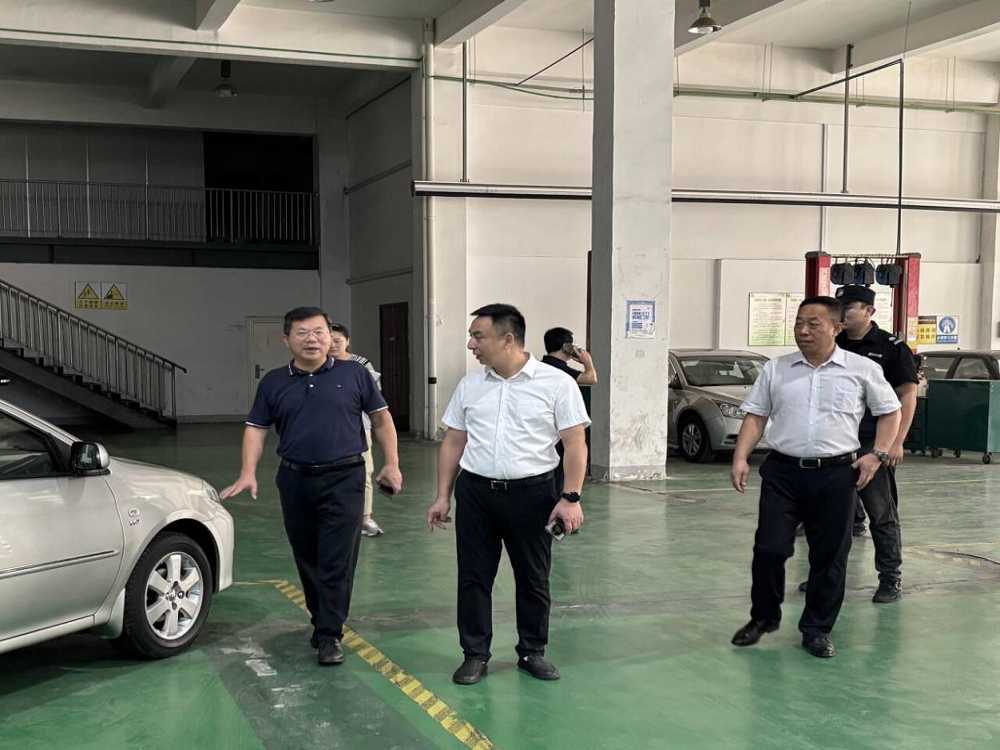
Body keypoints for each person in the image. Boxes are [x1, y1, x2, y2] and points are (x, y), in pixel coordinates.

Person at [220, 307, 403, 666]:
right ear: (286, 339)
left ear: (330, 336)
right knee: (307, 557)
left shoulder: (355, 374)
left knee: (337, 558)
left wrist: (392, 463)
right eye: (302, 333)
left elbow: (382, 419)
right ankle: (322, 621)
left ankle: (330, 633)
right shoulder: (273, 382)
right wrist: (247, 471)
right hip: (295, 479)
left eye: (319, 332)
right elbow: (256, 428)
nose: (312, 339)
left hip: (346, 477)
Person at [426, 304, 590, 685]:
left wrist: (571, 497)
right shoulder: (470, 385)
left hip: (533, 495)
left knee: (533, 578)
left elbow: (575, 443)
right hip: (476, 494)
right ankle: (475, 654)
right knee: (473, 577)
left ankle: (532, 651)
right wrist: (442, 495)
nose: (471, 344)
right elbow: (454, 441)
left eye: (478, 336)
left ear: (508, 339)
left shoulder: (556, 384)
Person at [730, 297, 901, 658]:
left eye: (813, 324)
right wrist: (741, 456)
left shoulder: (862, 369)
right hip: (783, 472)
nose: (803, 331)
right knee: (769, 548)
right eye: (798, 323)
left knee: (830, 555)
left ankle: (817, 628)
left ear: (836, 328)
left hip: (837, 474)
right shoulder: (777, 369)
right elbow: (756, 415)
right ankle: (763, 618)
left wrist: (878, 454)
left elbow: (890, 411)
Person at [797, 286, 919, 603]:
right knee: (828, 517)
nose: (843, 312)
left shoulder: (891, 348)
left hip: (871, 442)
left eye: (849, 306)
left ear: (869, 311)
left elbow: (907, 395)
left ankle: (890, 578)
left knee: (881, 514)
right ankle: (824, 575)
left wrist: (896, 442)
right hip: (834, 443)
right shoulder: (831, 344)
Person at [330, 323, 385, 537]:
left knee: (364, 471)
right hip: (328, 430)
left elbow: (375, 399)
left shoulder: (361, 365)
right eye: (329, 340)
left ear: (347, 341)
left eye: (338, 341)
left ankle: (365, 518)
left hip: (358, 428)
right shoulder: (318, 364)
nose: (333, 345)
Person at [541, 327, 597, 500]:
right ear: (566, 347)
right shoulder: (561, 371)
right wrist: (587, 361)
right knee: (559, 471)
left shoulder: (541, 366)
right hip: (560, 429)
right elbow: (591, 378)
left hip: (543, 428)